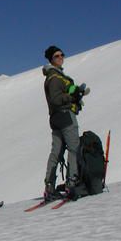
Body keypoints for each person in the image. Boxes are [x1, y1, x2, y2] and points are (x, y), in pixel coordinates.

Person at [43, 45, 88, 201]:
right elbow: (56, 99)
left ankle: (49, 186)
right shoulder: (55, 77)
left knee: (56, 151)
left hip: (55, 118)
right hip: (65, 116)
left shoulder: (53, 76)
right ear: (51, 59)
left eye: (62, 55)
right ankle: (72, 183)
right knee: (73, 148)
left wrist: (76, 92)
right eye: (57, 56)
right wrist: (73, 97)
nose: (61, 57)